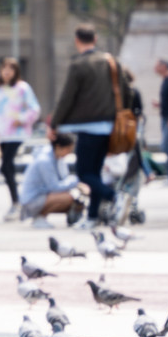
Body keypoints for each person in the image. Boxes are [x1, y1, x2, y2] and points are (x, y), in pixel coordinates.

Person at [49, 26, 130, 226]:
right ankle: (92, 218)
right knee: (95, 173)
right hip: (109, 126)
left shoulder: (79, 65)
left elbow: (67, 97)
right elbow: (126, 92)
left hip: (87, 127)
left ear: (77, 41)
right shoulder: (112, 62)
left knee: (85, 174)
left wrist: (55, 123)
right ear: (96, 38)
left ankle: (114, 197)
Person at [0, 57, 40, 220]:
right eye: (5, 68)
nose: (7, 72)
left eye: (11, 69)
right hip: (2, 135)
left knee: (6, 165)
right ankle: (17, 201)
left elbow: (34, 109)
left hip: (18, 133)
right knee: (6, 167)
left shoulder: (23, 88)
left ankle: (17, 202)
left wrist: (21, 118)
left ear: (16, 72)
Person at [20, 132, 86, 228]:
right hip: (31, 200)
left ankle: (42, 217)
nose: (70, 152)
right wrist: (76, 181)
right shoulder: (44, 161)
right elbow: (54, 187)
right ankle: (39, 218)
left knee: (76, 200)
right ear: (58, 147)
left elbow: (64, 179)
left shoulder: (58, 158)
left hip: (41, 196)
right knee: (68, 197)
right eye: (68, 149)